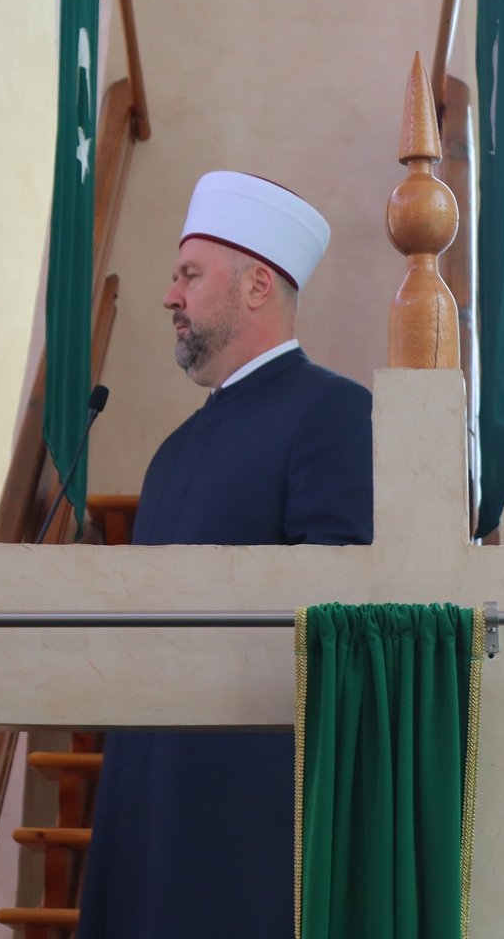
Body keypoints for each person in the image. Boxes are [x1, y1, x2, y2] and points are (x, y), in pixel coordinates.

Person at [77, 171, 373, 939]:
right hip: (145, 796)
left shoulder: (333, 411)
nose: (169, 296)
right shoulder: (172, 452)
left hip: (245, 810)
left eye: (189, 275)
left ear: (256, 286)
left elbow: (339, 608)